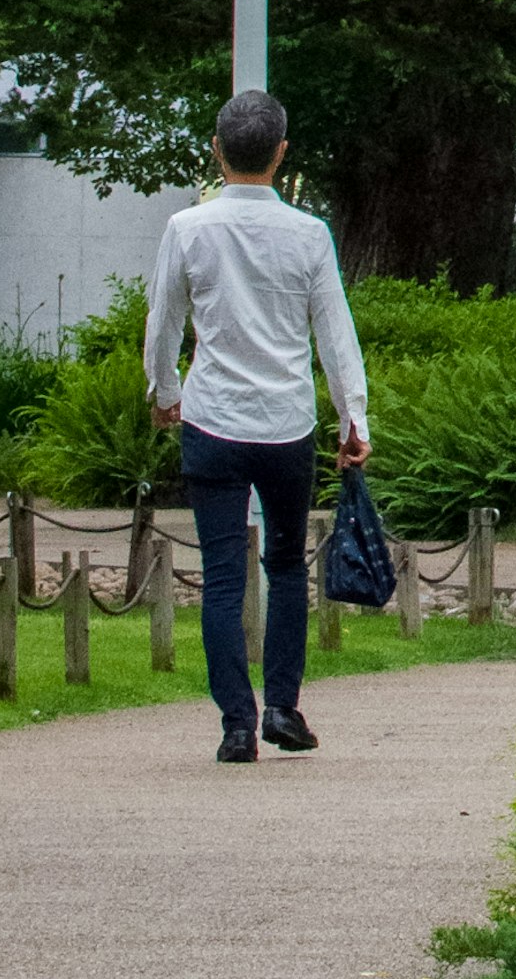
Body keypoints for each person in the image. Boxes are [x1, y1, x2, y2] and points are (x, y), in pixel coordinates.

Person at [142, 90, 373, 765]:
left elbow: (163, 322)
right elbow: (335, 332)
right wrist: (352, 416)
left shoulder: (187, 228)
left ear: (216, 150)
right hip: (285, 423)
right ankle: (283, 705)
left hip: (212, 416)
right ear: (280, 153)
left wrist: (165, 391)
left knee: (220, 574)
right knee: (284, 564)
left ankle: (236, 722)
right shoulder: (309, 235)